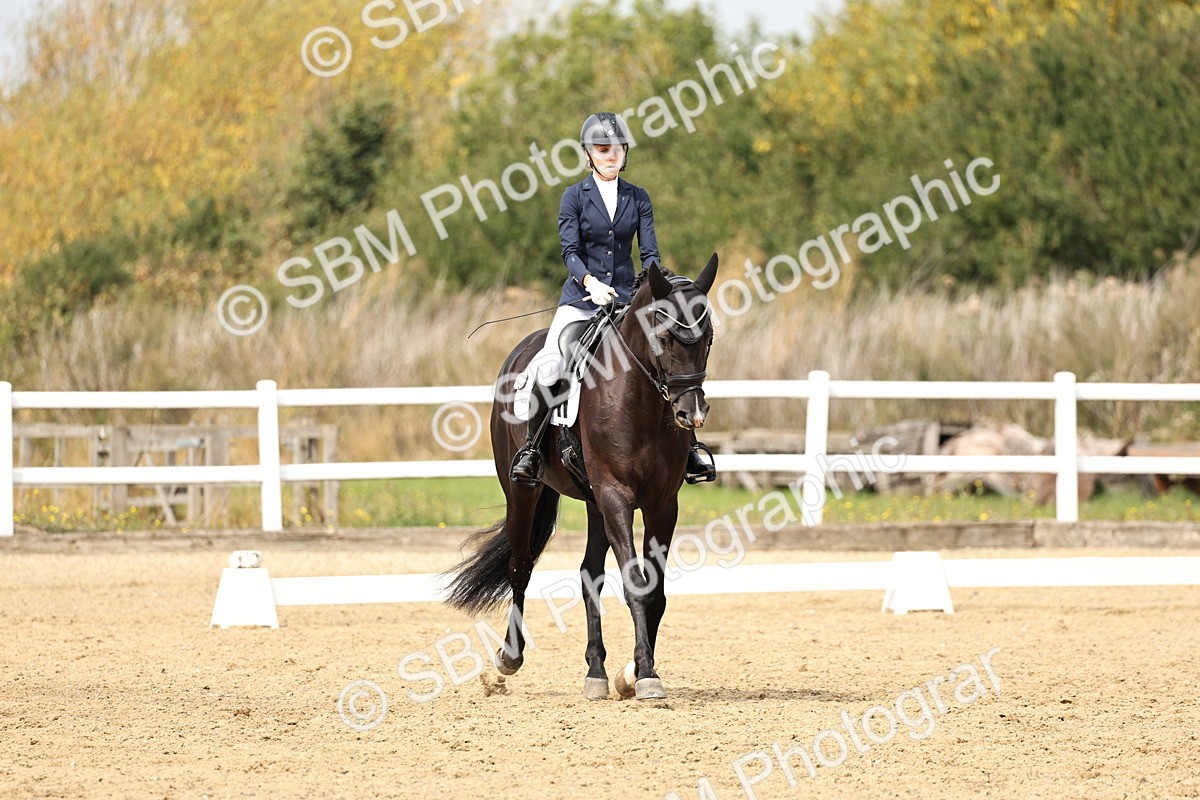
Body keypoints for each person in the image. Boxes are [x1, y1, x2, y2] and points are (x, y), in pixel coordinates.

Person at [508, 111, 716, 487]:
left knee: (666, 361)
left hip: (626, 303)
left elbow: (649, 254)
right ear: (589, 154)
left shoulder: (638, 198)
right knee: (551, 364)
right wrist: (588, 281)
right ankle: (532, 451)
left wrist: (655, 289)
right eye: (602, 150)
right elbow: (569, 250)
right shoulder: (573, 196)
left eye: (617, 149)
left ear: (625, 152)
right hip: (581, 301)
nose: (610, 155)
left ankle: (690, 449)